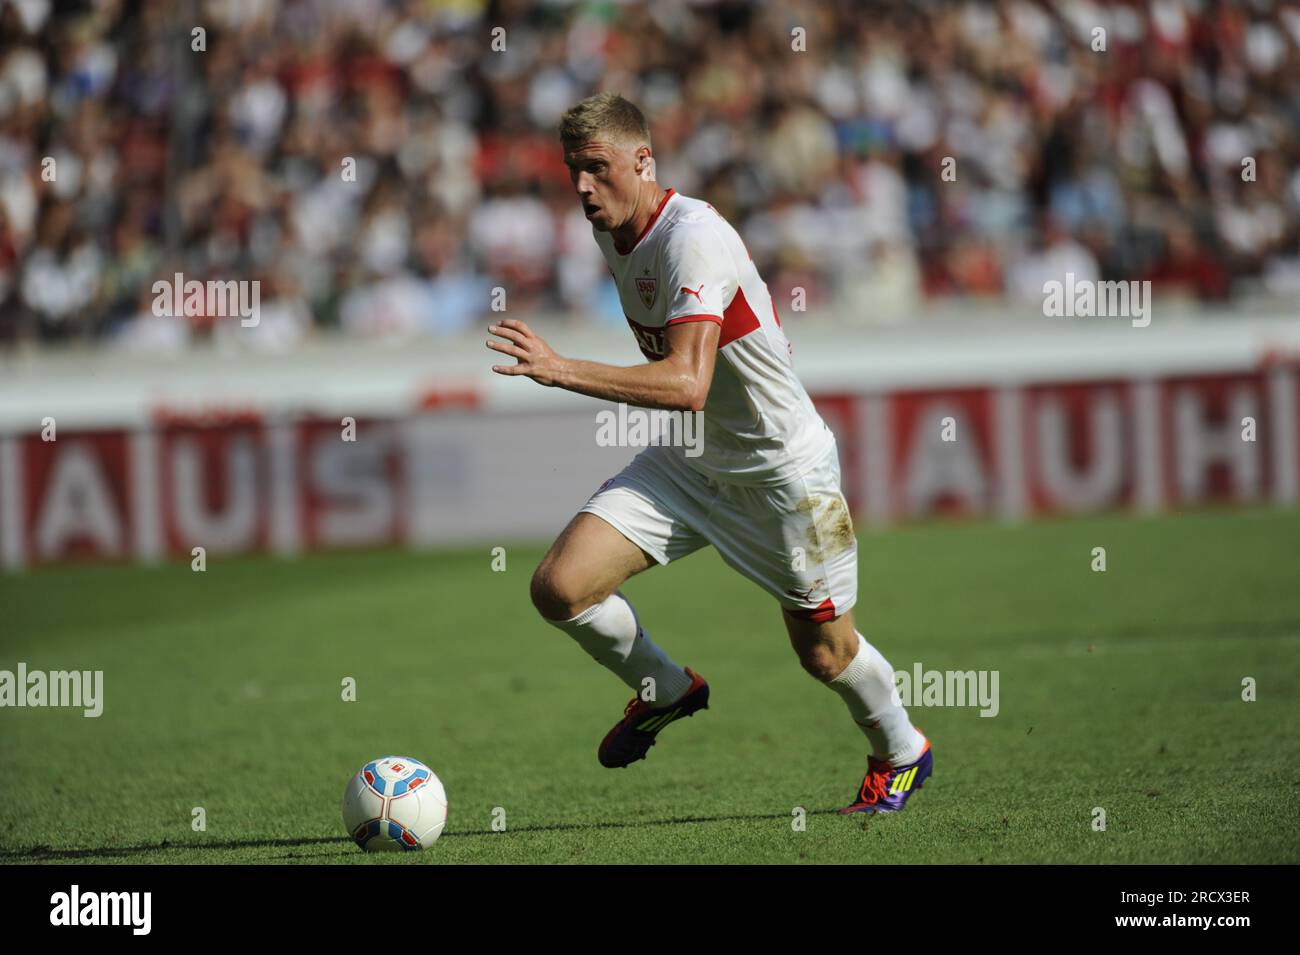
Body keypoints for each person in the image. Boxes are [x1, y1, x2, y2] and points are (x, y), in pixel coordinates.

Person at [486, 92, 931, 813]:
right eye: (573, 170)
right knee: (560, 587)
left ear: (644, 160)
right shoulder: (612, 227)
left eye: (596, 168)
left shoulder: (692, 235)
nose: (581, 187)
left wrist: (559, 367)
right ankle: (665, 687)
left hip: (783, 473)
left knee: (825, 654)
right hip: (693, 461)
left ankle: (903, 748)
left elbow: (689, 382)